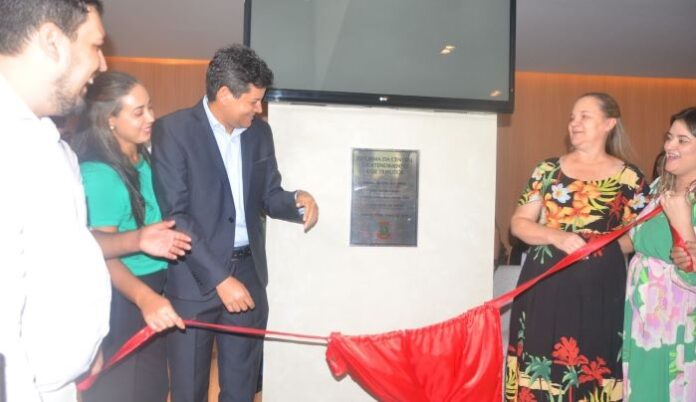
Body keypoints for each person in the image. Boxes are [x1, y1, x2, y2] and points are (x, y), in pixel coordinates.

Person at [0, 1, 190, 401]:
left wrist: (86, 345)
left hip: (61, 377)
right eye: (95, 45)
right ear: (52, 41)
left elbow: (71, 255)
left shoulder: (51, 147)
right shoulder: (12, 148)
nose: (102, 64)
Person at [151, 44, 319, 402]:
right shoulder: (173, 130)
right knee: (188, 391)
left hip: (248, 274)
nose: (259, 109)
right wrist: (219, 278)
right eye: (253, 101)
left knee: (242, 390)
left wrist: (296, 201)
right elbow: (176, 215)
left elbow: (268, 194)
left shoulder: (259, 134)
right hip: (194, 279)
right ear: (225, 94)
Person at [504, 92, 650, 402]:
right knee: (541, 363)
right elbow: (519, 223)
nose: (574, 123)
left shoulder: (630, 177)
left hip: (601, 291)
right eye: (572, 117)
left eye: (585, 116)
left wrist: (600, 251)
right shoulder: (546, 170)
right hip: (545, 287)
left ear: (609, 123)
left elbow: (640, 236)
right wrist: (555, 236)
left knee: (594, 365)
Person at [70, 71, 186, 402]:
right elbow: (98, 254)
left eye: (150, 107)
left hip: (150, 292)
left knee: (151, 389)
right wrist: (144, 297)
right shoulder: (100, 175)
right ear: (110, 120)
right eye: (138, 112)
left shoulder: (142, 156)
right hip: (123, 297)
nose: (151, 117)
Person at [623, 107, 696, 401]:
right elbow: (635, 239)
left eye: (682, 140)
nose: (669, 146)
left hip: (680, 318)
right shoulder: (658, 187)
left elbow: (692, 271)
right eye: (669, 137)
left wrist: (682, 223)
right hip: (645, 316)